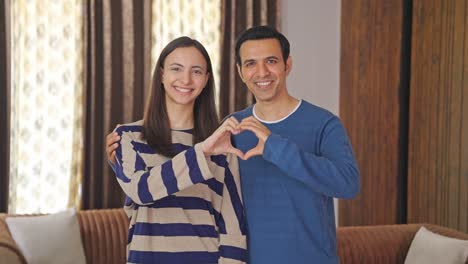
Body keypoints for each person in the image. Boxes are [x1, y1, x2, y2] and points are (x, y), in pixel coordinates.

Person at [108, 26, 360, 264]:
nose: (261, 72)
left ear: (287, 65)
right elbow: (144, 192)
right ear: (240, 72)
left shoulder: (323, 123)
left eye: (271, 61)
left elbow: (348, 184)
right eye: (251, 63)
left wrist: (275, 146)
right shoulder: (229, 129)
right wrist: (121, 162)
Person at [109, 36, 247, 264]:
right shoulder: (127, 136)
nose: (186, 79)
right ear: (162, 74)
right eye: (176, 69)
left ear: (206, 80)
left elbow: (232, 223)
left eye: (196, 71)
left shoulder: (222, 144)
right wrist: (201, 153)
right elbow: (142, 191)